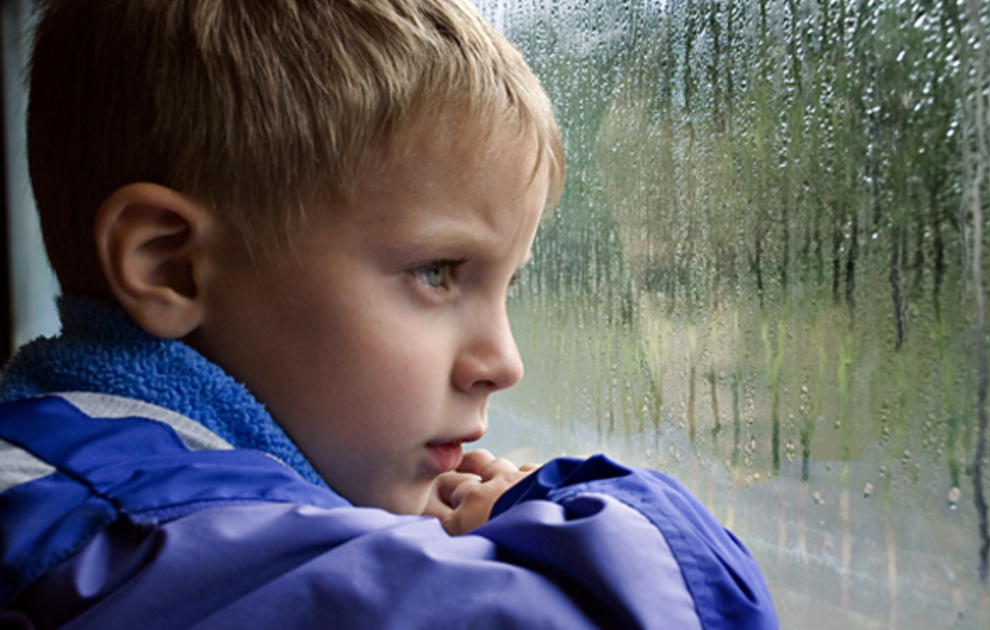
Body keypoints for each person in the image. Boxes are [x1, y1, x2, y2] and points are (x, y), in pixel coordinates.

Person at [0, 1, 779, 628]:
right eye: (437, 273)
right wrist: (566, 510)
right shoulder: (140, 532)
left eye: (507, 285)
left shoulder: (64, 463)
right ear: (171, 266)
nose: (505, 364)